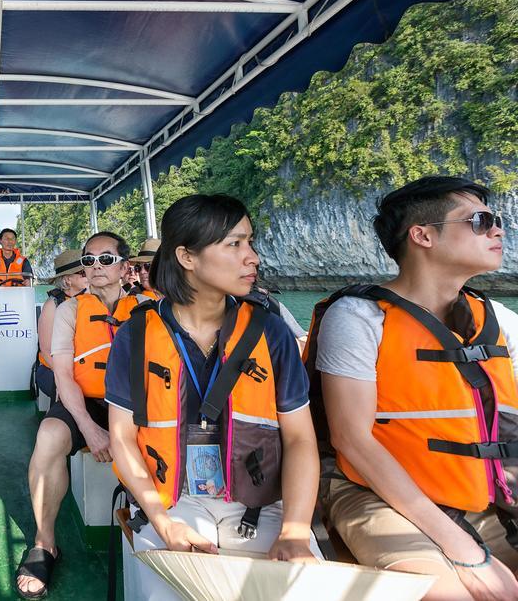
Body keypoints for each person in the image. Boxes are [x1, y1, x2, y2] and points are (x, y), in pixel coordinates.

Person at [309, 176, 518, 600]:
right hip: (373, 492)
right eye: (480, 221)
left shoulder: (496, 317)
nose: (498, 230)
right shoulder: (359, 317)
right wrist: (459, 546)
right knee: (448, 594)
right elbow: (352, 438)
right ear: (422, 235)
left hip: (480, 489)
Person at [108, 194, 321, 600]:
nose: (253, 257)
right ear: (187, 257)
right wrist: (162, 521)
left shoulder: (270, 332)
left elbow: (299, 438)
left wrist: (295, 531)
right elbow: (120, 437)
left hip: (262, 502)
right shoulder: (135, 336)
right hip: (172, 500)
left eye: (251, 242)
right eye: (235, 244)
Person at [16, 232, 135, 598]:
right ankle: (44, 542)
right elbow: (63, 375)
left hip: (133, 407)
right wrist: (89, 427)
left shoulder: (149, 309)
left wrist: (120, 428)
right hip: (85, 401)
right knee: (49, 436)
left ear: (125, 267)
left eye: (106, 259)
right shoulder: (69, 310)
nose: (96, 267)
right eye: (89, 260)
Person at [34, 249, 88, 401]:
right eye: (82, 272)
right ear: (67, 280)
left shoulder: (92, 301)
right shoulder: (53, 305)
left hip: (83, 365)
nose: (88, 274)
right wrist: (66, 376)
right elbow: (46, 350)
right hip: (52, 368)